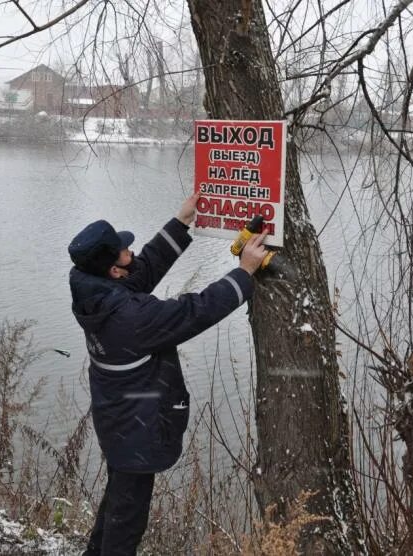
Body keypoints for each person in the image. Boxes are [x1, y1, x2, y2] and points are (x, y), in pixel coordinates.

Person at [67, 193, 269, 555]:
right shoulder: (130, 318)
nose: (132, 255)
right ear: (114, 271)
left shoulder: (91, 289)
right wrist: (245, 272)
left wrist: (181, 222)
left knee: (116, 506)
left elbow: (140, 272)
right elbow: (195, 311)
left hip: (117, 419)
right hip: (135, 428)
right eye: (124, 252)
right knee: (126, 523)